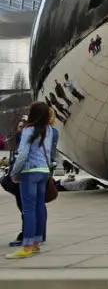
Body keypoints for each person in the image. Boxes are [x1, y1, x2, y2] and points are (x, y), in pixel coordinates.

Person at [7, 102, 54, 259]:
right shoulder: (49, 130)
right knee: (40, 206)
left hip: (29, 172)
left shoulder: (28, 130)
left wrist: (14, 172)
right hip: (43, 171)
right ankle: (35, 243)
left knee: (28, 209)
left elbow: (22, 155)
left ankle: (26, 246)